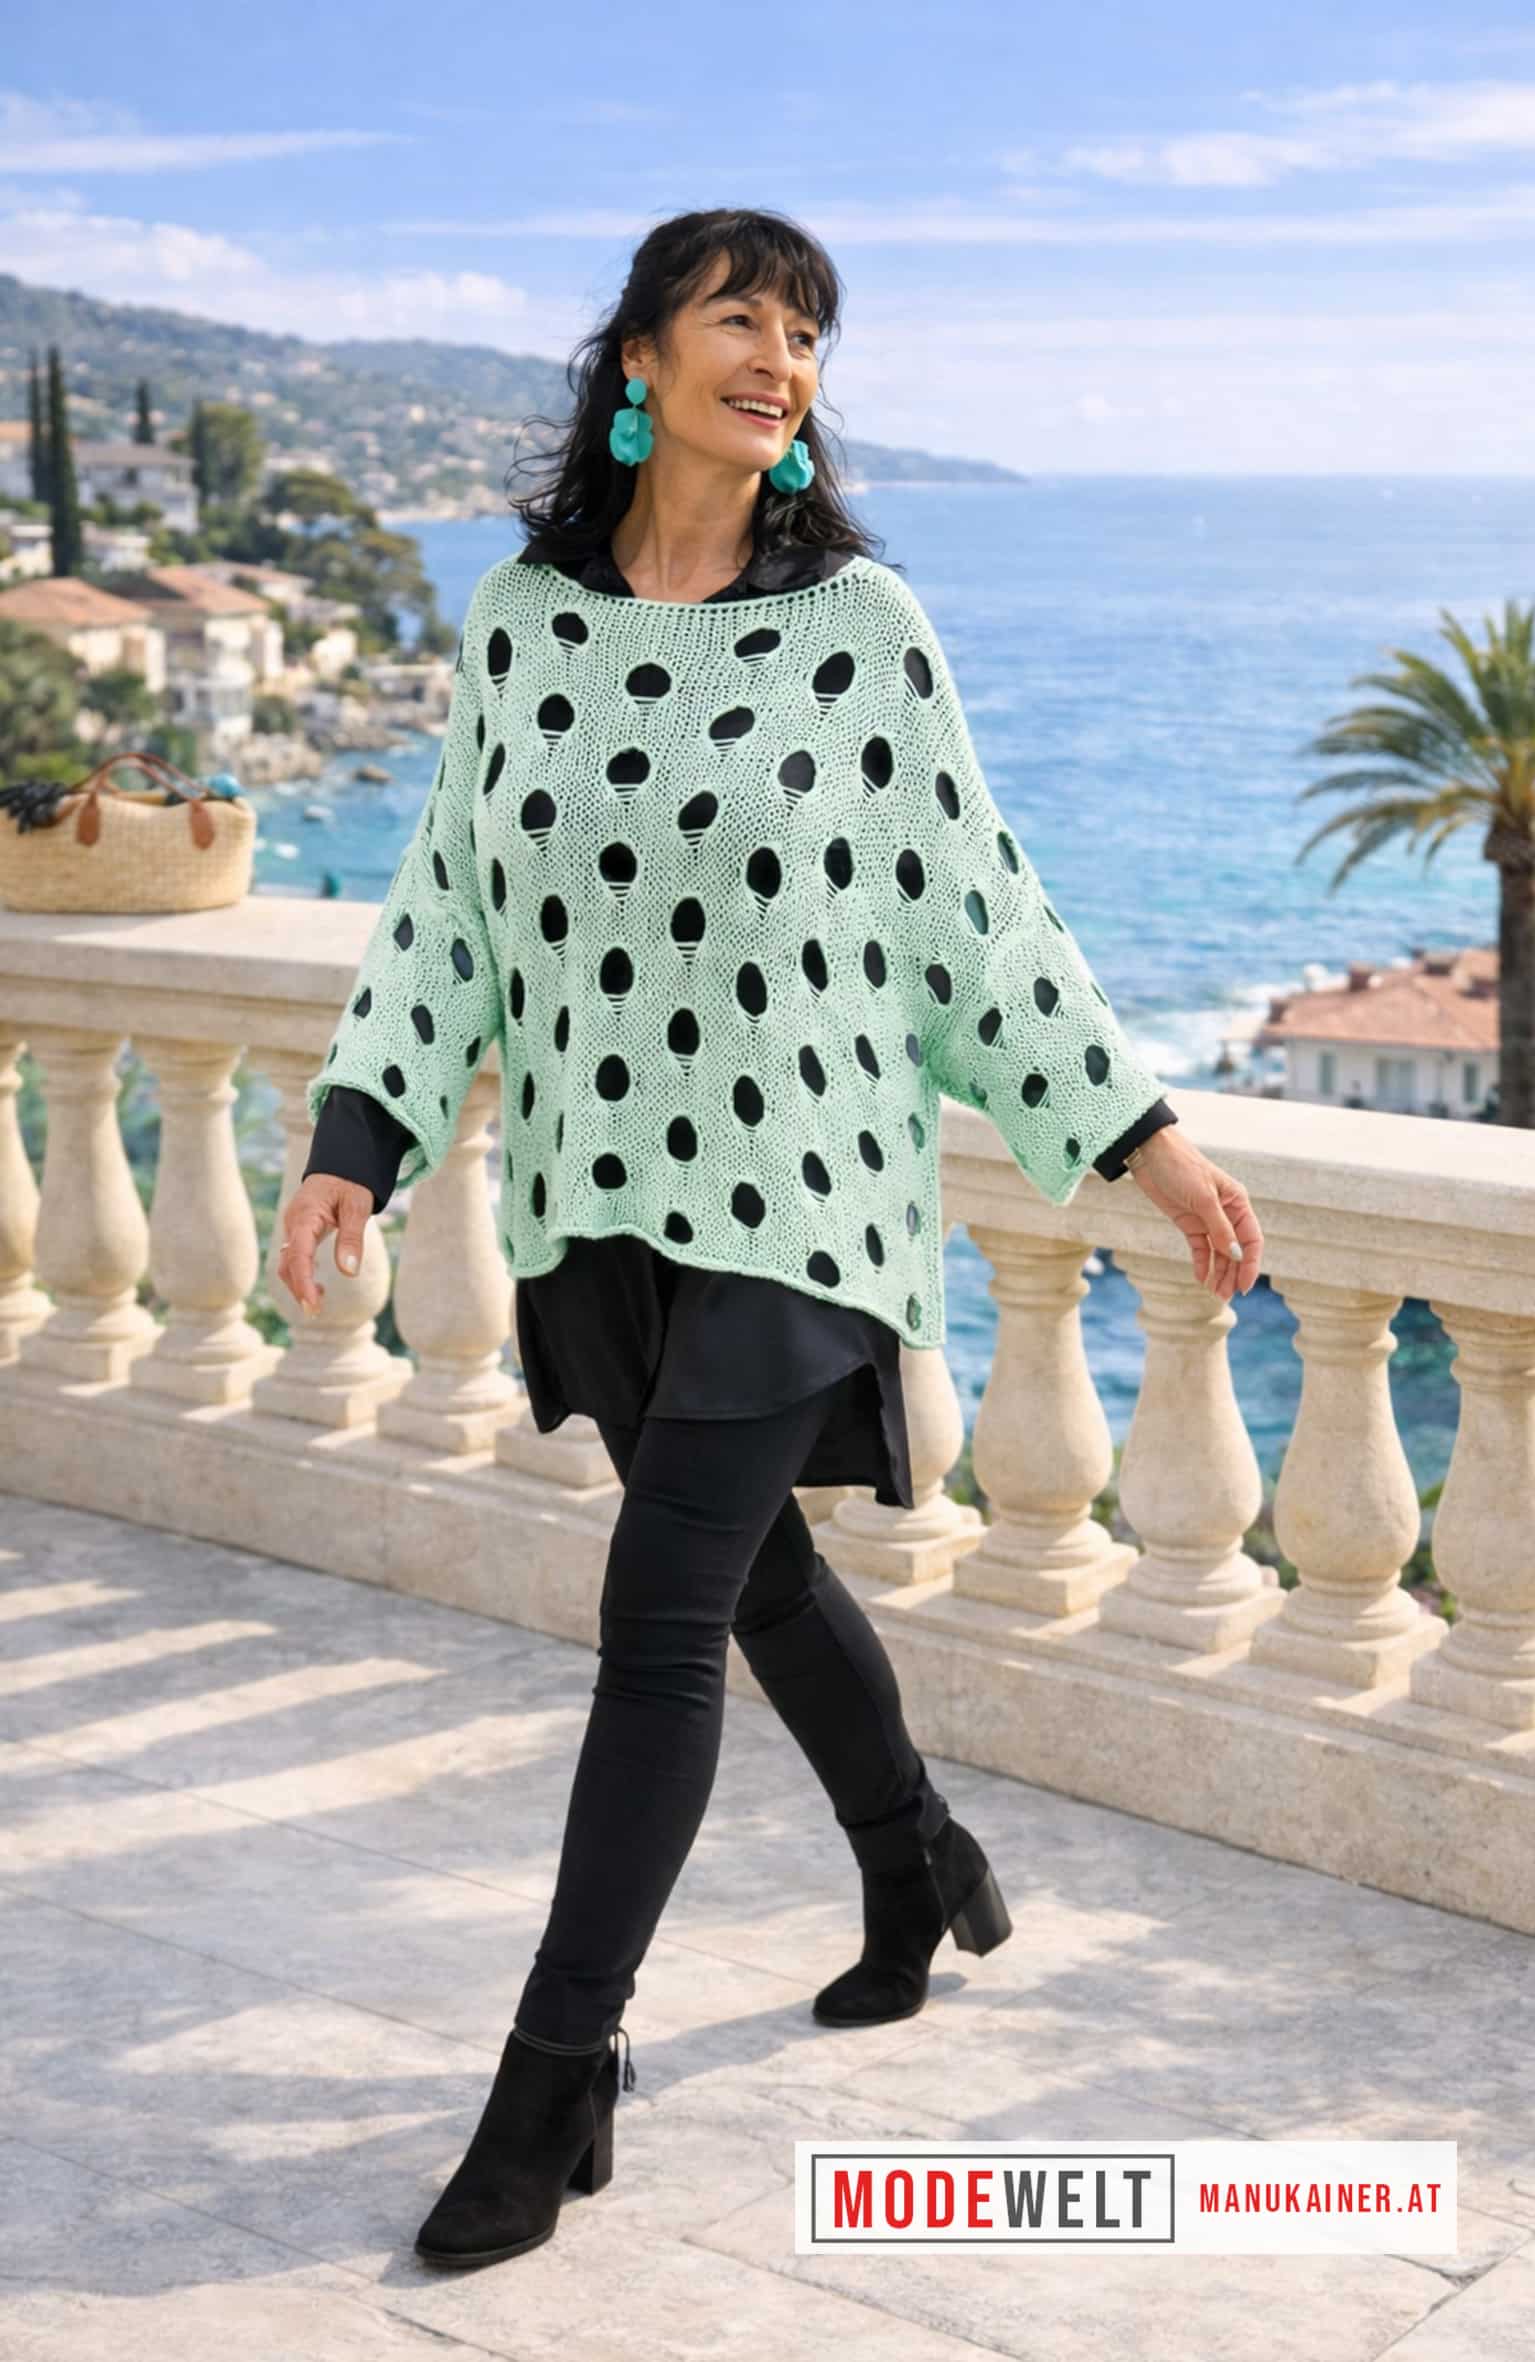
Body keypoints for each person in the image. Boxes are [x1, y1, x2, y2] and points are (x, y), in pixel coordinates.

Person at [278, 207, 1265, 2274]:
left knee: (659, 1616)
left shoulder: (859, 627)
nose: (782, 355)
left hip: (801, 1195)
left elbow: (978, 910)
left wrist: (1149, 1144)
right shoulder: (523, 619)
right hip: (592, 1195)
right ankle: (917, 1857)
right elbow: (450, 901)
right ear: (638, 357)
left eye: (808, 330)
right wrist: (357, 1137)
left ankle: (554, 2077)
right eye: (741, 315)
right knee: (760, 1576)